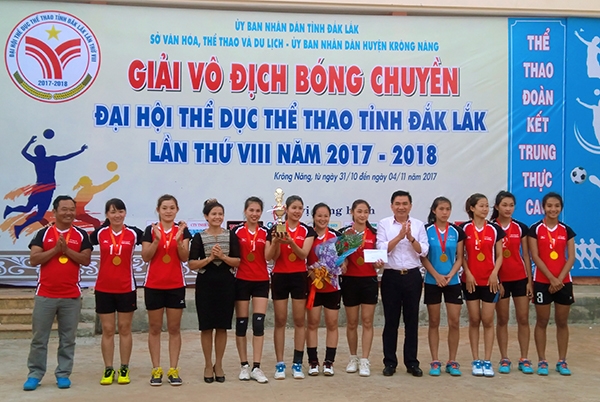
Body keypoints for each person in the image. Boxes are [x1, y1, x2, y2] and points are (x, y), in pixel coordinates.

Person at [22, 195, 92, 391]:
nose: (69, 213)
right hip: (45, 295)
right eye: (64, 209)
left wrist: (66, 250)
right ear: (54, 212)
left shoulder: (81, 235)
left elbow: (85, 260)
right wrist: (55, 250)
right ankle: (35, 374)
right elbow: (34, 259)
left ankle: (63, 374)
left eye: (72, 209)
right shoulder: (43, 234)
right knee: (39, 339)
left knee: (68, 339)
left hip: (71, 296)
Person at [90, 198, 143, 385]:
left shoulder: (134, 233)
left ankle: (124, 367)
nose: (117, 215)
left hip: (126, 288)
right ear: (107, 215)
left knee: (125, 328)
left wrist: (179, 228)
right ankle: (108, 368)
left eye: (120, 211)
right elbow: (80, 243)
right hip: (103, 288)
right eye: (113, 212)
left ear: (125, 213)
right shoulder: (99, 233)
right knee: (108, 329)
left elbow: (156, 236)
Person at [376, 190, 429, 377]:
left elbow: (423, 251)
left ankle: (412, 362)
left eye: (405, 203)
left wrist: (410, 237)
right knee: (391, 322)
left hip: (412, 276)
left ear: (410, 206)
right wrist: (399, 236)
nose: (401, 207)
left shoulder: (418, 225)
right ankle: (390, 362)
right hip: (391, 277)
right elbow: (381, 249)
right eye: (397, 204)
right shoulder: (383, 224)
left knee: (411, 321)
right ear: (392, 206)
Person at [189, 199, 240, 384]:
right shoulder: (199, 237)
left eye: (220, 214)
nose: (217, 217)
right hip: (205, 284)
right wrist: (210, 258)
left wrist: (223, 257)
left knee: (222, 326)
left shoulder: (231, 235)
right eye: (213, 214)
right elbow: (192, 264)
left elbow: (237, 261)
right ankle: (207, 365)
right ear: (206, 216)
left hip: (226, 284)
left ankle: (219, 364)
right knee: (206, 326)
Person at [141, 194, 190, 386]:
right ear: (158, 210)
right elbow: (146, 257)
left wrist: (178, 241)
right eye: (164, 208)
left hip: (175, 285)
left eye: (172, 208)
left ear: (177, 210)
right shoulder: (150, 230)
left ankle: (173, 369)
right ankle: (156, 369)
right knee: (154, 328)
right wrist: (156, 241)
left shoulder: (182, 230)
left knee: (174, 328)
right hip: (153, 285)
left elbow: (184, 257)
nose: (168, 211)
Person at [265, 195, 316, 380]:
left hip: (299, 277)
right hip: (280, 276)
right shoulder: (275, 228)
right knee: (280, 320)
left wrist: (291, 242)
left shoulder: (307, 230)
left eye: (300, 208)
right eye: (294, 207)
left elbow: (303, 255)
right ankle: (280, 364)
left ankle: (297, 363)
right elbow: (270, 257)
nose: (297, 211)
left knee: (299, 321)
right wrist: (277, 242)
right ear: (285, 209)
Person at [3, 132, 87, 238]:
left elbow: (24, 152)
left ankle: (13, 215)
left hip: (41, 189)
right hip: (45, 190)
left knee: (30, 209)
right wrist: (80, 150)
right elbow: (66, 156)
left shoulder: (38, 160)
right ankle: (14, 218)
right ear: (43, 152)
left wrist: (30, 142)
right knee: (35, 213)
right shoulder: (49, 159)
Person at [528, 192, 576, 376]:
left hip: (564, 282)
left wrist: (559, 279)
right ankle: (542, 361)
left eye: (556, 206)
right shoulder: (535, 229)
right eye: (549, 206)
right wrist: (551, 278)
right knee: (542, 321)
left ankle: (562, 361)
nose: (553, 209)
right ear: (543, 207)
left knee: (562, 322)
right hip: (542, 281)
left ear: (561, 208)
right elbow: (535, 256)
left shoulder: (566, 230)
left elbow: (571, 258)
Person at [460, 193, 505, 377]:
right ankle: (476, 360)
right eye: (481, 206)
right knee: (474, 319)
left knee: (487, 320)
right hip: (470, 281)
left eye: (487, 206)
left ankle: (487, 360)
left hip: (489, 282)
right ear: (472, 208)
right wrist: (468, 273)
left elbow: (500, 255)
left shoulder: (495, 229)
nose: (485, 209)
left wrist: (494, 274)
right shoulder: (463, 229)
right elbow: (461, 255)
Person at [421, 196, 465, 377]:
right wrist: (437, 276)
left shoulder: (457, 231)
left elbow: (460, 257)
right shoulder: (426, 230)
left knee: (454, 322)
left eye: (448, 209)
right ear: (434, 211)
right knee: (434, 322)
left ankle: (452, 361)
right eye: (441, 209)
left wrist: (450, 275)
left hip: (452, 281)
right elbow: (423, 257)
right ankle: (435, 360)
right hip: (432, 280)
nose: (445, 212)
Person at [491, 191, 534, 375]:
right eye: (504, 205)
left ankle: (524, 358)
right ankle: (504, 358)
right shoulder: (491, 227)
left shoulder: (521, 227)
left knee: (523, 318)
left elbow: (526, 256)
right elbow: (491, 257)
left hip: (520, 279)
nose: (508, 209)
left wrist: (529, 281)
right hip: (501, 281)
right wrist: (497, 280)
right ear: (497, 207)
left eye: (511, 205)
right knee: (502, 319)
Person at [341, 199, 383, 377]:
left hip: (369, 281)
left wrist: (379, 263)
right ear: (352, 212)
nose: (362, 215)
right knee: (351, 322)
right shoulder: (346, 233)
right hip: (350, 281)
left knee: (367, 321)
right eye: (359, 211)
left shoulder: (374, 234)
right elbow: (341, 256)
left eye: (366, 212)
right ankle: (353, 358)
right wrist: (342, 263)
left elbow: (379, 259)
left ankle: (365, 359)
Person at [231, 197, 270, 384]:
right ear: (245, 211)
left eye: (257, 211)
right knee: (241, 324)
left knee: (258, 323)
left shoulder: (266, 232)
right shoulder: (237, 232)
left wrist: (277, 242)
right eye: (251, 210)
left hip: (261, 280)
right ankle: (244, 365)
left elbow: (269, 256)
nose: (254, 214)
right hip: (242, 280)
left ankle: (256, 367)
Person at [306, 203, 341, 376]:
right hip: (313, 285)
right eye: (319, 215)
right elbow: (303, 259)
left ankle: (329, 362)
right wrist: (313, 273)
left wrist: (336, 268)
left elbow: (343, 261)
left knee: (332, 323)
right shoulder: (308, 235)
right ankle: (313, 362)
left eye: (326, 216)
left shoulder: (336, 236)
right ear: (313, 217)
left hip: (332, 286)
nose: (322, 219)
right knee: (312, 323)